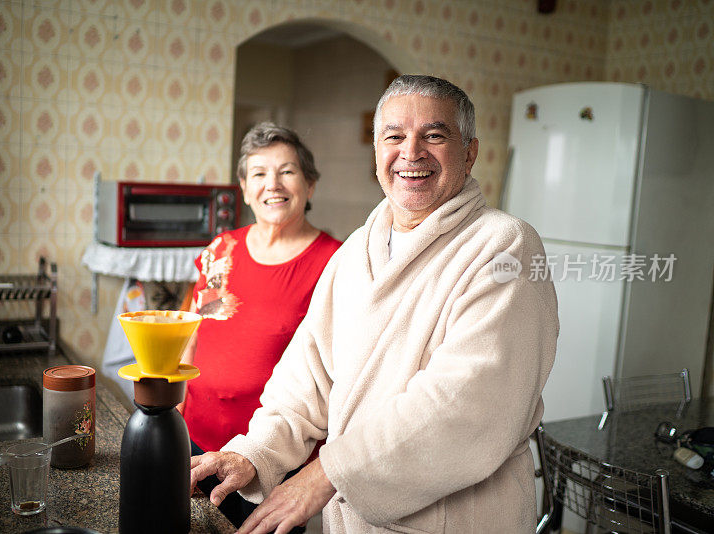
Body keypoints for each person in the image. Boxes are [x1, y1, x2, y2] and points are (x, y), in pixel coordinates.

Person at [189, 75, 560, 534]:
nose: (412, 152)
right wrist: (256, 451)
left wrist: (323, 476)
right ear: (377, 152)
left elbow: (463, 403)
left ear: (470, 152)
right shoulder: (359, 249)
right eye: (394, 136)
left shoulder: (504, 245)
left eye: (435, 135)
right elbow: (307, 375)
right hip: (356, 520)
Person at [180, 122, 342, 528]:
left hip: (271, 461)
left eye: (287, 171)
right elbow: (194, 332)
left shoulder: (335, 263)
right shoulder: (222, 249)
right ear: (244, 187)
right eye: (259, 174)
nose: (274, 184)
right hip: (197, 445)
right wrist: (172, 413)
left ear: (310, 184)